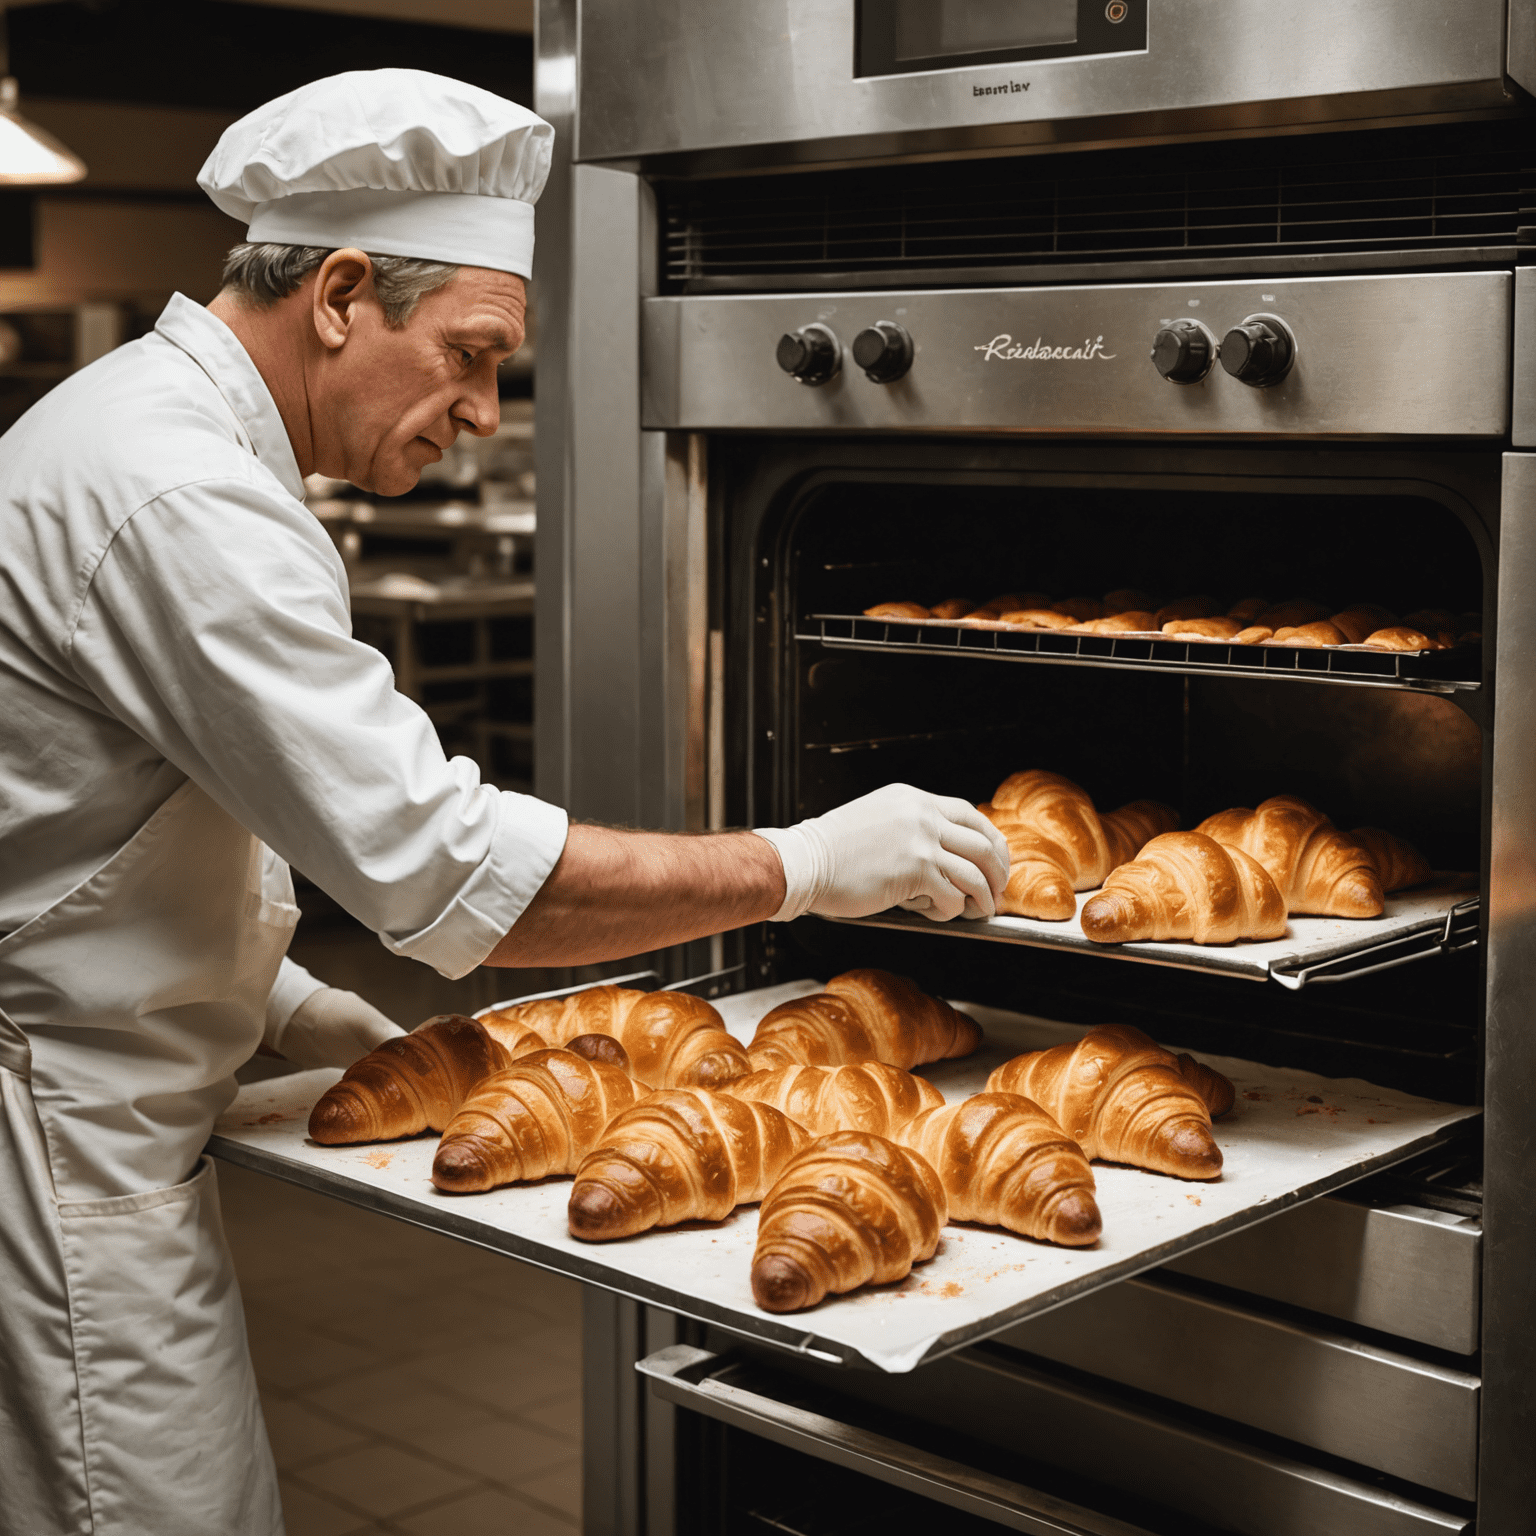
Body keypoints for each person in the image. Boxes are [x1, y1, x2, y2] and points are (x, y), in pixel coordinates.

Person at [0, 70, 1008, 1535]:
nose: (480, 413)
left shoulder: (143, 436)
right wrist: (801, 864)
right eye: (469, 356)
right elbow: (463, 875)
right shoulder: (180, 495)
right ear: (340, 292)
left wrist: (272, 995)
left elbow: (74, 815)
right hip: (51, 1143)